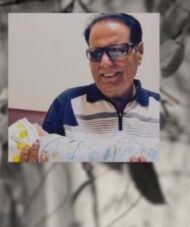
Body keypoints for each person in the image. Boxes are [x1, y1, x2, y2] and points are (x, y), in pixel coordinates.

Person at [40, 13, 159, 162]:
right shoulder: (66, 104)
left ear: (139, 52)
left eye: (116, 50)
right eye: (95, 53)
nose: (104, 63)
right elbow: (44, 154)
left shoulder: (162, 110)